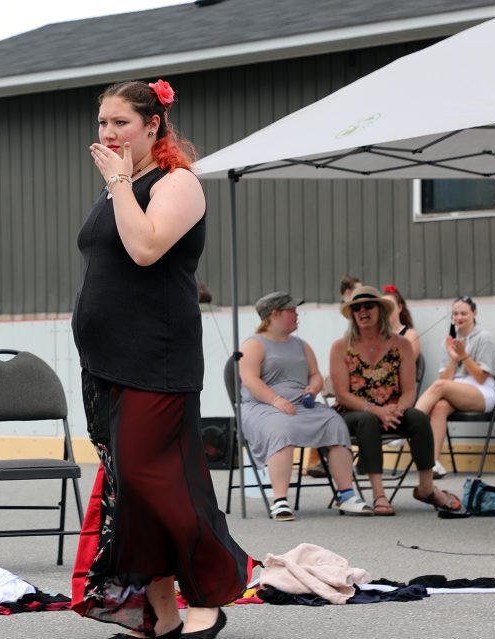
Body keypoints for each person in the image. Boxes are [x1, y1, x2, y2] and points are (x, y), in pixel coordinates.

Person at [71, 79, 248, 639]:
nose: (108, 133)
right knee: (134, 490)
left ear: (153, 125)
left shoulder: (178, 183)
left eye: (120, 122)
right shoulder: (119, 187)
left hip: (158, 359)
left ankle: (209, 594)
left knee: (162, 481)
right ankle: (161, 612)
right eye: (102, 123)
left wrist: (121, 183)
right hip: (106, 363)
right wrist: (120, 186)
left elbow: (146, 248)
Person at [329, 286, 462, 515]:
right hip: (353, 411)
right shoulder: (341, 347)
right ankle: (379, 495)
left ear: (380, 310)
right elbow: (342, 394)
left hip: (393, 410)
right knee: (367, 421)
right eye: (357, 308)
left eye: (369, 306)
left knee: (419, 418)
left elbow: (409, 391)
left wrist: (396, 411)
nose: (362, 311)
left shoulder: (401, 345)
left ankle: (426, 487)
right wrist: (377, 411)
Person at [238, 291, 372, 520]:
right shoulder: (254, 344)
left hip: (301, 405)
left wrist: (313, 387)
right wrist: (276, 400)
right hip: (263, 406)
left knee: (334, 422)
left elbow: (315, 375)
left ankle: (347, 494)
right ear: (275, 314)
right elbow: (250, 380)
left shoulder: (301, 344)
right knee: (281, 428)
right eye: (292, 310)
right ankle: (280, 500)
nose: (297, 314)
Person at [415, 296, 495, 478]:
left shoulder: (485, 337)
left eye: (463, 313)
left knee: (439, 386)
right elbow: (446, 378)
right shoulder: (449, 340)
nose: (459, 317)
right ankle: (433, 463)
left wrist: (463, 355)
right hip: (457, 390)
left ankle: (408, 423)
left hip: (482, 392)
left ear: (474, 313)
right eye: (455, 314)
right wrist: (454, 358)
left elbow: (480, 377)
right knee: (438, 407)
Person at [308, 274, 364, 478]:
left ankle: (322, 462)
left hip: (362, 392)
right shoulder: (349, 326)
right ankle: (321, 462)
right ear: (348, 294)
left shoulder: (356, 326)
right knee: (327, 413)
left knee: (330, 414)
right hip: (349, 387)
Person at [382, 284, 420, 361]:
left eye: (390, 306)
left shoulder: (410, 334)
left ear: (399, 307)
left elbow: (407, 362)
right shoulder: (377, 334)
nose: (386, 310)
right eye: (383, 307)